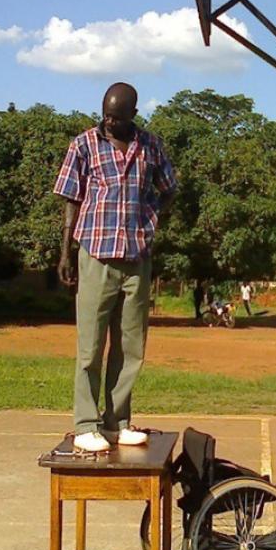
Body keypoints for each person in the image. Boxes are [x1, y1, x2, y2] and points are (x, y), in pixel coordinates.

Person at [55, 82, 177, 453]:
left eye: (117, 117)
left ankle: (117, 422)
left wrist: (151, 218)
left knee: (129, 347)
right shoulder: (84, 144)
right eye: (106, 115)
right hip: (95, 255)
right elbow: (71, 200)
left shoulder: (151, 146)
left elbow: (169, 188)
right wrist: (65, 252)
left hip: (136, 259)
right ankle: (85, 424)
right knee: (90, 347)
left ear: (132, 116)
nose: (109, 122)